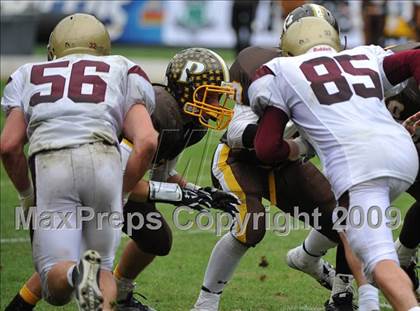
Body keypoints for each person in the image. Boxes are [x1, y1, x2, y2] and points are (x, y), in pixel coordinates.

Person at [4, 47, 240, 311]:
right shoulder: (158, 112)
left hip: (116, 179)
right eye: (212, 96)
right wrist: (183, 196)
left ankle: (122, 295)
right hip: (88, 173)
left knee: (156, 238)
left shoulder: (189, 125)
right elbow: (117, 180)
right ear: (188, 91)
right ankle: (20, 305)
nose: (219, 105)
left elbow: (163, 173)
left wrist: (200, 192)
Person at [249, 3, 420, 310]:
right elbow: (417, 57)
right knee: (358, 233)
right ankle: (316, 263)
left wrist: (300, 147)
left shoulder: (280, 71)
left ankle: (375, 295)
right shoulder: (365, 54)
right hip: (403, 152)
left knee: (381, 260)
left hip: (359, 164)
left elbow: (266, 148)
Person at [191, 6, 362, 311]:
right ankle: (206, 302)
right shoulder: (257, 65)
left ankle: (328, 281)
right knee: (250, 226)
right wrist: (277, 140)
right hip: (241, 159)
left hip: (286, 161)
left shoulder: (343, 74)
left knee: (344, 219)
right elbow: (234, 128)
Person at [0, 13, 158, 311]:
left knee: (54, 285)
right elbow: (147, 141)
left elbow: (8, 146)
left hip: (51, 162)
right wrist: (120, 191)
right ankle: (87, 274)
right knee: (104, 268)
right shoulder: (122, 68)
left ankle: (76, 273)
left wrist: (26, 195)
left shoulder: (27, 73)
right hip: (103, 160)